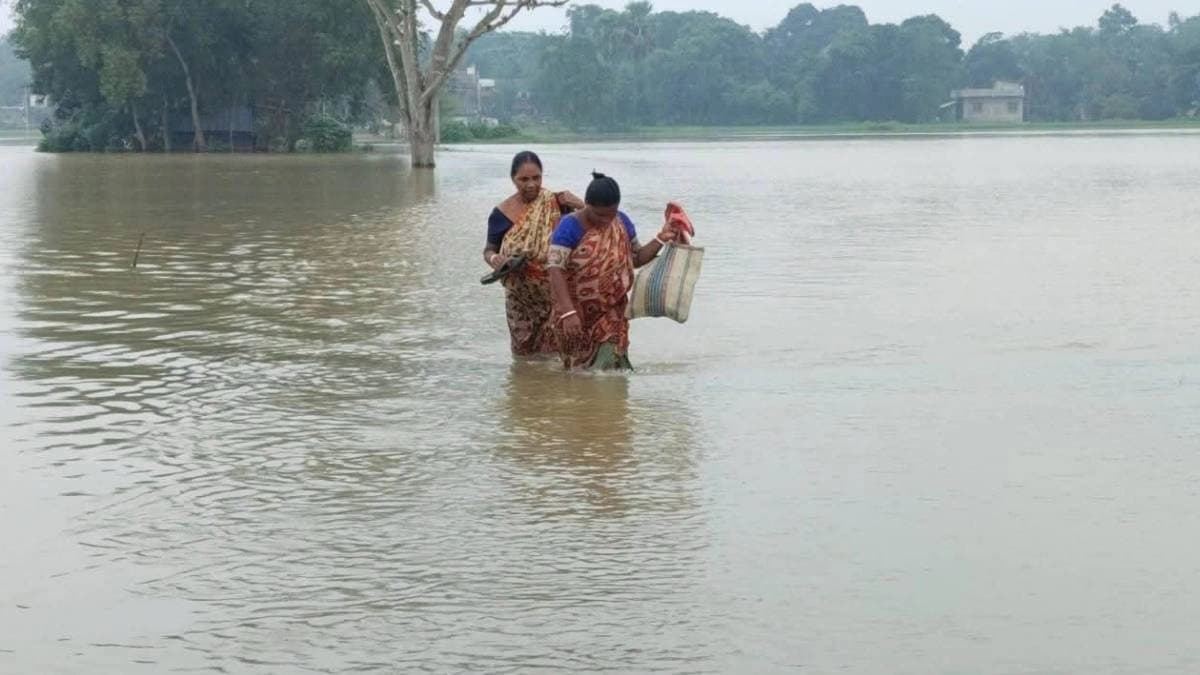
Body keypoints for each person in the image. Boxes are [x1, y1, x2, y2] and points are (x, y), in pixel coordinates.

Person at [547, 172, 681, 371]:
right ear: (586, 204)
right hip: (575, 313)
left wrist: (661, 239)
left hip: (612, 312)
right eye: (600, 215)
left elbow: (636, 258)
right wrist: (568, 312)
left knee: (610, 369)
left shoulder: (622, 222)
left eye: (611, 213)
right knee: (576, 373)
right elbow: (555, 270)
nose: (606, 220)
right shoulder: (569, 227)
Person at [484, 151, 584, 357]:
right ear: (513, 179)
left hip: (554, 293)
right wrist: (496, 260)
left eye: (536, 178)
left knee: (556, 354)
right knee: (523, 357)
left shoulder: (557, 204)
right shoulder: (501, 213)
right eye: (524, 179)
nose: (531, 184)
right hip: (519, 296)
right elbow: (488, 250)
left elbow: (591, 230)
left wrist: (581, 206)